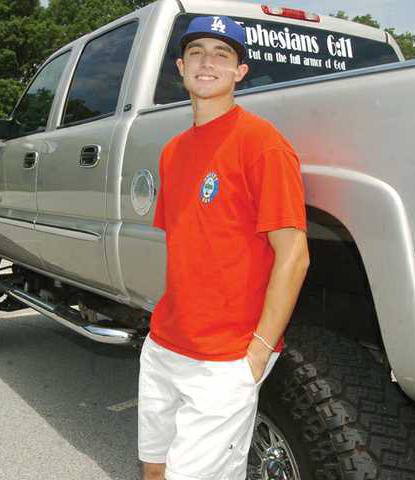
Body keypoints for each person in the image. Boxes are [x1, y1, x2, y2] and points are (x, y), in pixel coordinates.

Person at [138, 15, 309, 480]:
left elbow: (294, 254)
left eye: (221, 54)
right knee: (154, 469)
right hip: (165, 344)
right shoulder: (173, 151)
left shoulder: (263, 145)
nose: (207, 62)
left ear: (240, 71)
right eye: (196, 52)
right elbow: (187, 245)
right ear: (181, 67)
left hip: (226, 358)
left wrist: (258, 352)